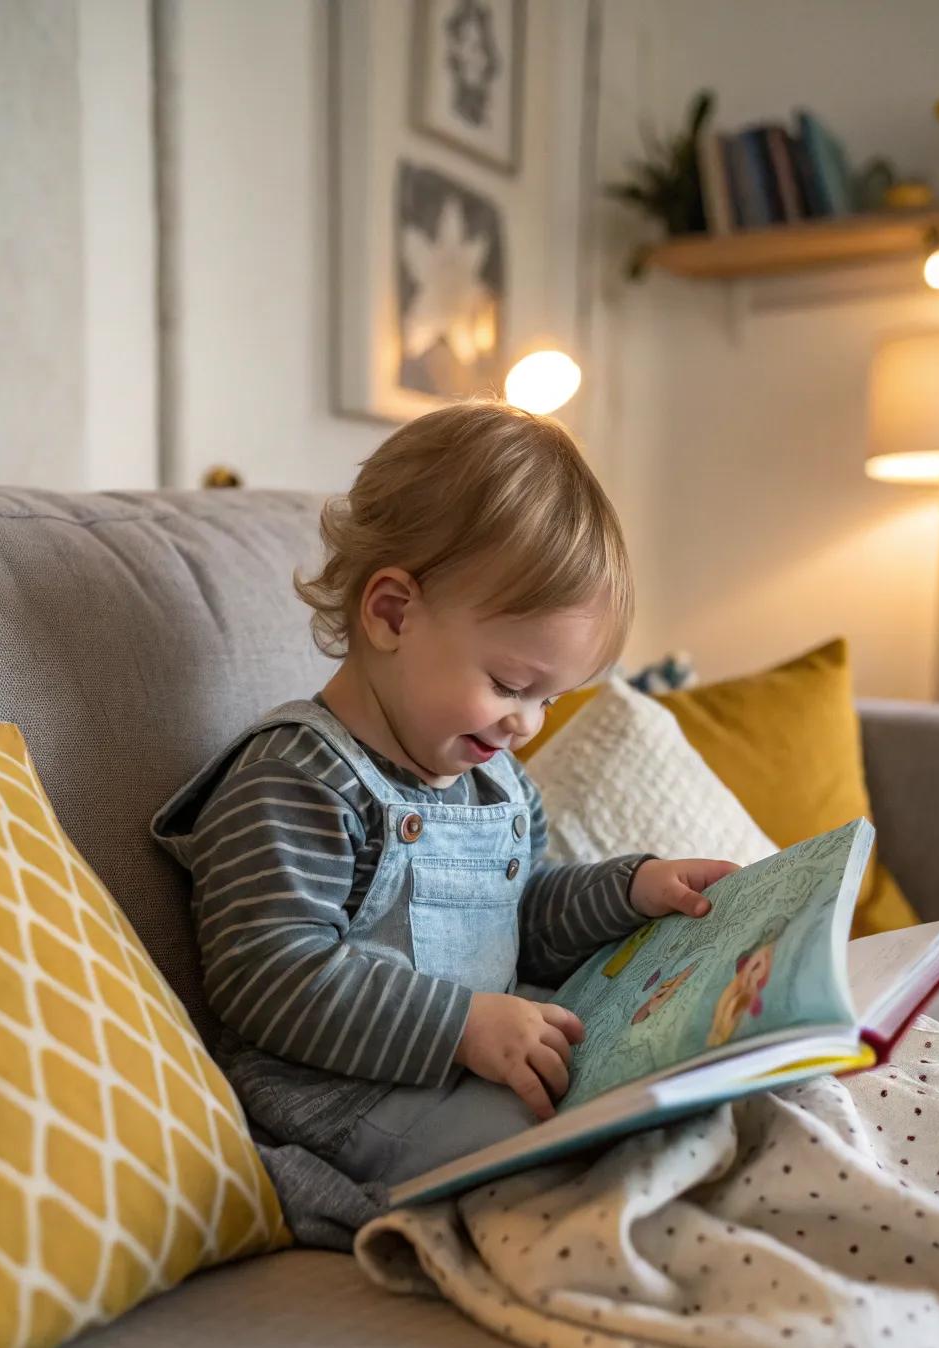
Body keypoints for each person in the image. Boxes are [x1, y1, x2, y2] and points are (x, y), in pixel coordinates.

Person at [152, 400, 736, 1245]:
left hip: (475, 1059)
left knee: (679, 1105)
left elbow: (523, 919)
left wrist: (633, 888)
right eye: (508, 683)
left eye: (549, 697)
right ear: (391, 613)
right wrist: (457, 1026)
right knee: (566, 1167)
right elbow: (268, 976)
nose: (525, 725)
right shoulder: (294, 779)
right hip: (342, 1097)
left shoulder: (491, 779)